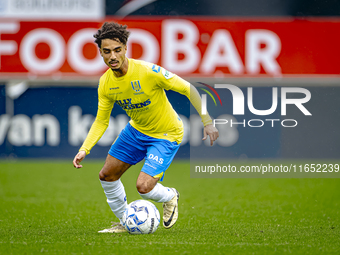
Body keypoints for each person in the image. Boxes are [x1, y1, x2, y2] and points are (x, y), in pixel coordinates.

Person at [72, 22, 219, 233]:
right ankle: (126, 222)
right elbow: (101, 120)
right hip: (136, 131)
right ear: (100, 53)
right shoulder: (105, 83)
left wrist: (207, 122)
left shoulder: (147, 71)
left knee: (143, 187)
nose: (112, 56)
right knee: (106, 175)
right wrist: (85, 148)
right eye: (106, 52)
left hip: (166, 134)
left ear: (125, 48)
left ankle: (170, 196)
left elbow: (189, 89)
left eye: (117, 50)